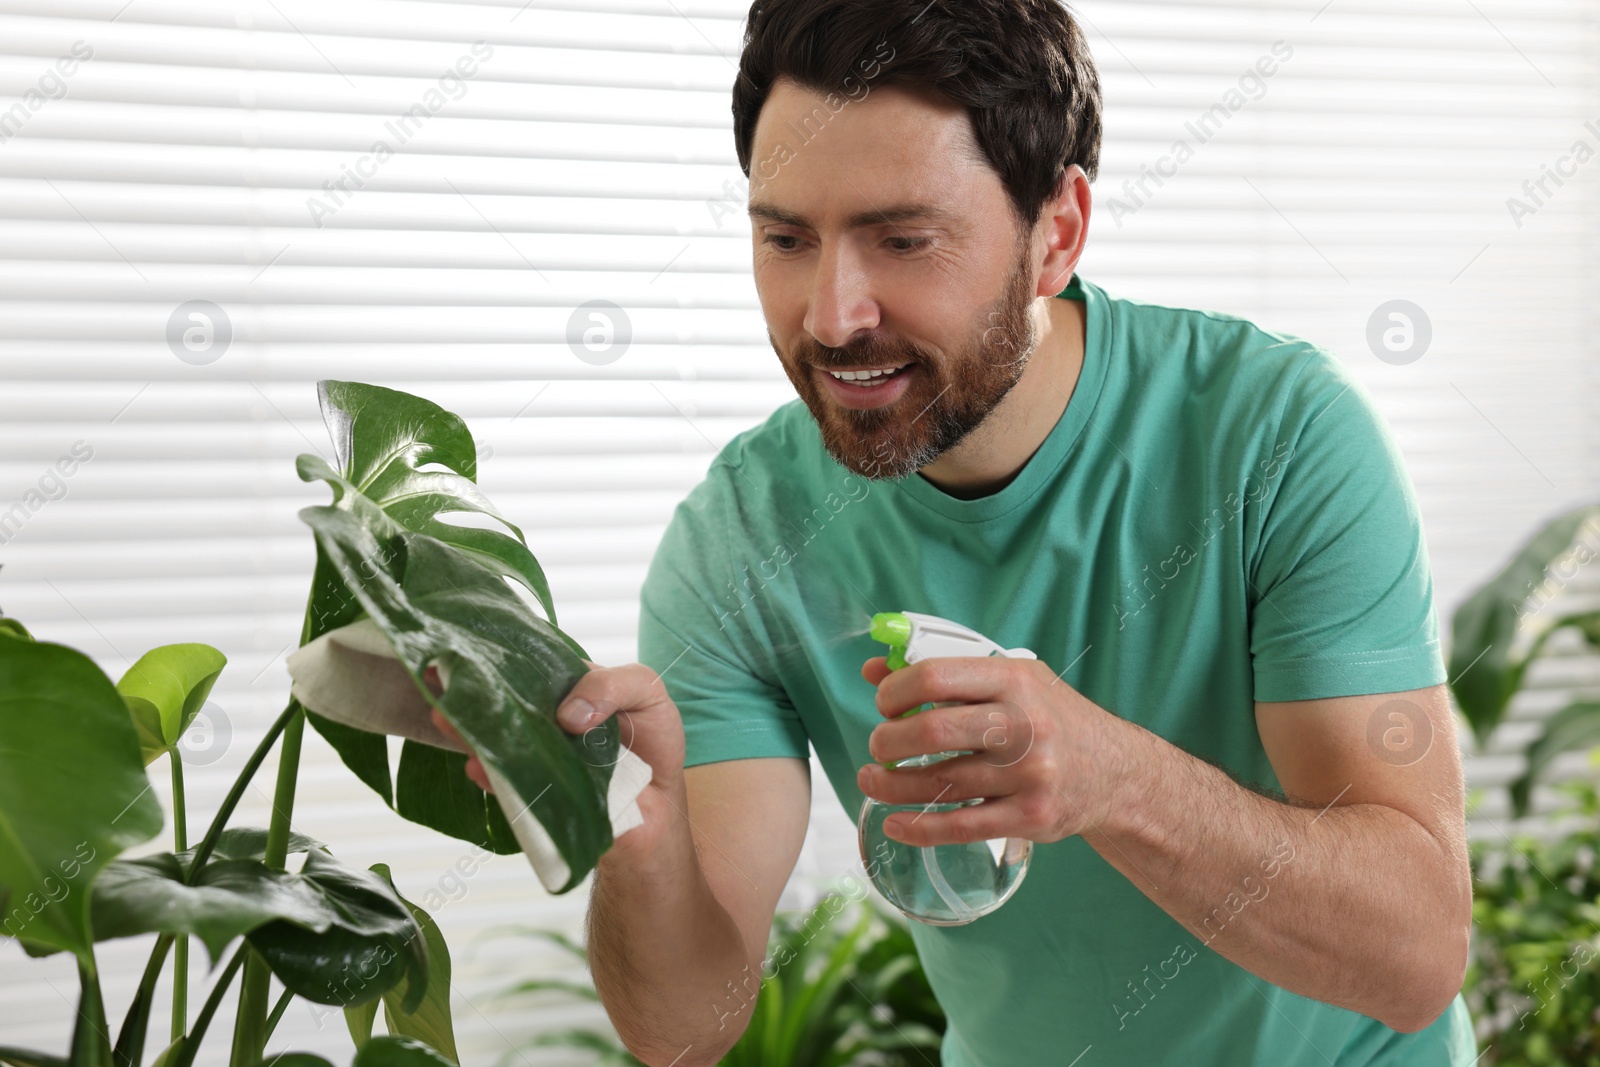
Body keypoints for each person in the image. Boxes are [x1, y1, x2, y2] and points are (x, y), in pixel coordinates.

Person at [433, 1, 1476, 1063]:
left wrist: (1114, 778)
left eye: (902, 239)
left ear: (1055, 233)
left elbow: (1417, 951)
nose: (833, 315)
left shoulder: (1277, 436)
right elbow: (681, 1023)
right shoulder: (743, 535)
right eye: (786, 238)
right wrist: (629, 817)